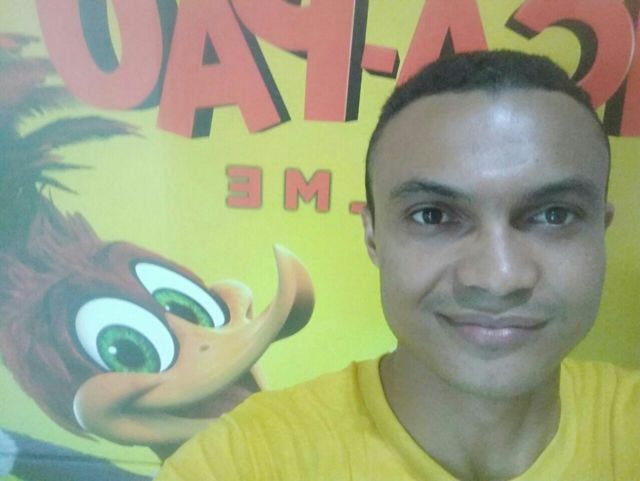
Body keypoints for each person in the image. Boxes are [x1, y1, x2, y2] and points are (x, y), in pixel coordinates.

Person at [155, 51, 640, 481]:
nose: (498, 279)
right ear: (373, 238)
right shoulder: (240, 463)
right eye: (434, 216)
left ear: (600, 231)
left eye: (554, 215)